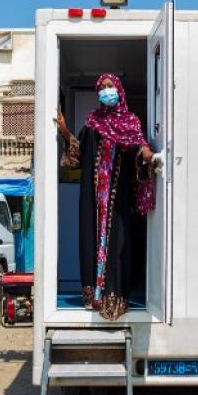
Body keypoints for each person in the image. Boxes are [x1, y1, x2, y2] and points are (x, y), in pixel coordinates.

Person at [57, 73, 155, 320]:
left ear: (119, 90)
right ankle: (95, 297)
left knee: (118, 245)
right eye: (101, 88)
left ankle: (114, 298)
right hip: (94, 197)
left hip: (117, 199)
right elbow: (76, 155)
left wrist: (144, 152)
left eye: (110, 86)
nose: (106, 91)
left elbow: (140, 149)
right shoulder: (92, 122)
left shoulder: (131, 122)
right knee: (93, 240)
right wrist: (64, 130)